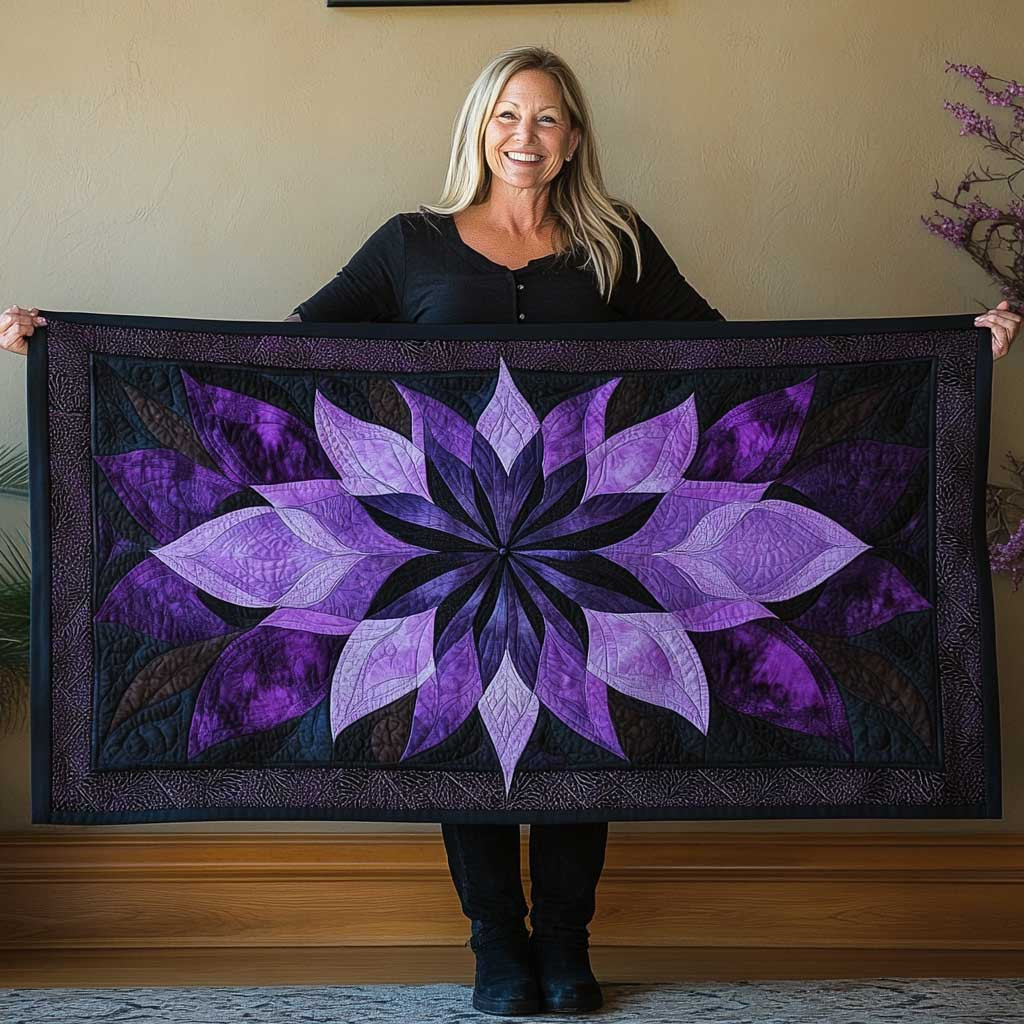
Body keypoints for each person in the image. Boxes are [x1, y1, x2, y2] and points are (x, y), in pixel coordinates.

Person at [3, 44, 1020, 1021]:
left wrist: (956, 347)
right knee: (461, 726)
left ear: (573, 136)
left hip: (597, 543)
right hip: (434, 545)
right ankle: (496, 939)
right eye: (506, 115)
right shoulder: (411, 244)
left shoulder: (616, 244)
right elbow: (287, 360)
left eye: (545, 118)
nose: (523, 135)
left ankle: (567, 941)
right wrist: (64, 346)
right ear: (478, 127)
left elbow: (729, 367)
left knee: (586, 723)